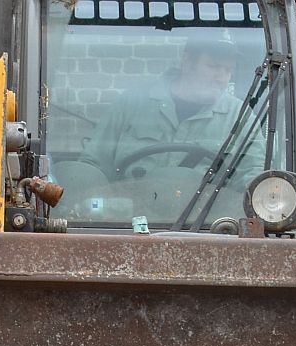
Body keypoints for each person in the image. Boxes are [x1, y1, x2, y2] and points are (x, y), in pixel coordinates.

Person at [81, 34, 263, 218]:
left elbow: (256, 177)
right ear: (187, 61)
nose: (221, 78)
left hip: (204, 225)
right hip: (124, 222)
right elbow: (94, 166)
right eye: (213, 66)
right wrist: (94, 206)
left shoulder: (240, 116)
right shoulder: (131, 104)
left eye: (228, 70)